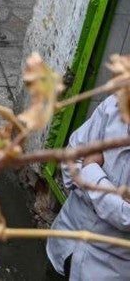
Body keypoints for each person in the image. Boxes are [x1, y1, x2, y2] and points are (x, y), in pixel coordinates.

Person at [47, 94, 130, 279]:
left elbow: (125, 217)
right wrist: (109, 197)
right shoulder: (114, 105)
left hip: (106, 270)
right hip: (64, 245)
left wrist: (90, 169)